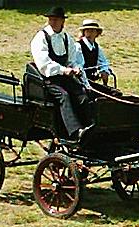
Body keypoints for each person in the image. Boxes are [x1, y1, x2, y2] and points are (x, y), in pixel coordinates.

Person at [30, 6, 94, 141]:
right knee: (64, 96)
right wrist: (63, 70)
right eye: (51, 19)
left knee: (81, 93)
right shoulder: (41, 37)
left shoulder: (66, 38)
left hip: (64, 77)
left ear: (62, 22)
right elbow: (44, 64)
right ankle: (74, 132)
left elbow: (72, 60)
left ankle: (90, 126)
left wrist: (75, 68)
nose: (53, 22)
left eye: (56, 20)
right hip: (47, 80)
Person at [76, 19, 112, 86]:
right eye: (88, 30)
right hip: (81, 81)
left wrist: (104, 70)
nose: (90, 32)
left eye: (93, 30)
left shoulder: (96, 47)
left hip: (92, 79)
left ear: (97, 33)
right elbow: (78, 65)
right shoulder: (78, 46)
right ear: (84, 32)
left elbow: (103, 62)